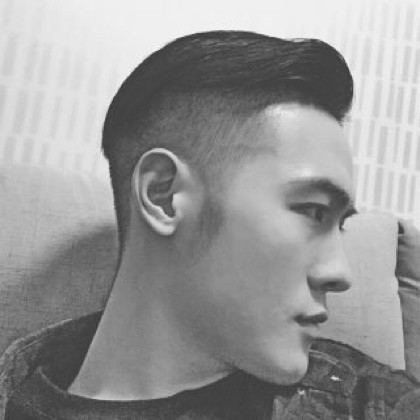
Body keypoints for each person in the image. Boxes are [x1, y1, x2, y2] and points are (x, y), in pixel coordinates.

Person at [1, 30, 419, 419]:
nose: (341, 274)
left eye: (339, 225)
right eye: (313, 211)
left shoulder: (375, 403)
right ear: (163, 195)